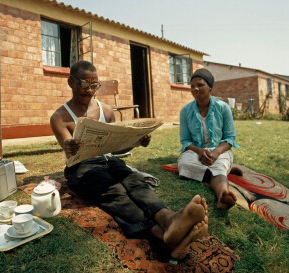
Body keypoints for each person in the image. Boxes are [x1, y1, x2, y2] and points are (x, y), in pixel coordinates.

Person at [50, 60, 208, 259]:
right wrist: (69, 145)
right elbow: (67, 145)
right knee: (114, 191)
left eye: (94, 85)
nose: (90, 90)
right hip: (81, 168)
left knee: (134, 182)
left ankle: (169, 220)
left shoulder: (106, 111)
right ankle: (162, 237)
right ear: (71, 82)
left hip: (109, 161)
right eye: (84, 84)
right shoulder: (60, 117)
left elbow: (117, 149)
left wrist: (136, 141)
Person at [177, 68, 240, 210]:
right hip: (195, 151)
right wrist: (199, 152)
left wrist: (216, 152)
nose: (195, 89)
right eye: (192, 86)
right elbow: (185, 141)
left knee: (219, 164)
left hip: (219, 149)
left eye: (200, 85)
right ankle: (217, 174)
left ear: (210, 86)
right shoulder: (185, 111)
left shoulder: (223, 108)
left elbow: (230, 138)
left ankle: (223, 196)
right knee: (184, 164)